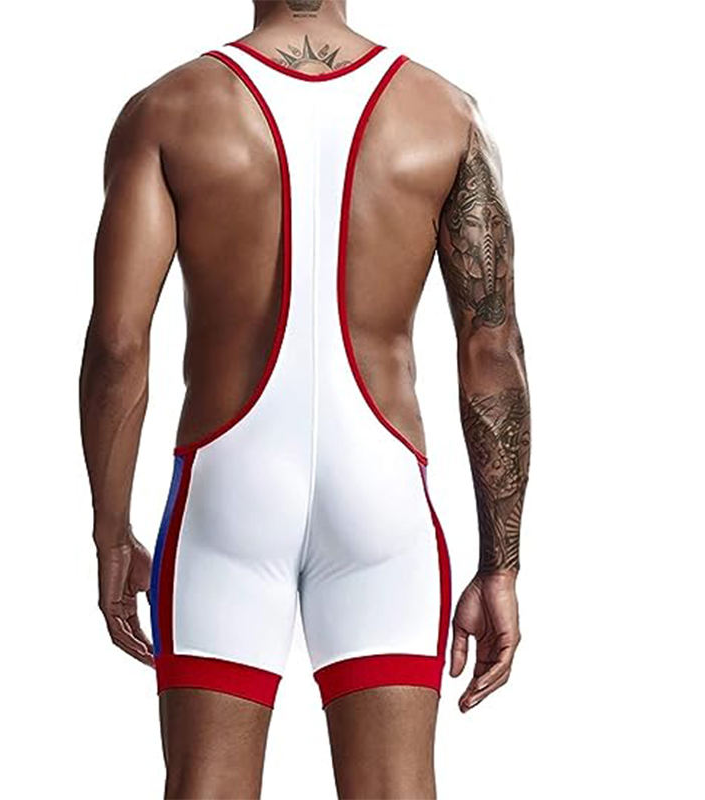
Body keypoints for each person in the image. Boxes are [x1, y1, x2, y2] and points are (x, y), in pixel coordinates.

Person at [79, 0, 531, 796]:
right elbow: (492, 351)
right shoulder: (444, 113)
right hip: (382, 490)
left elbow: (118, 345)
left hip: (228, 488)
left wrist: (111, 532)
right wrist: (501, 567)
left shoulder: (168, 109)